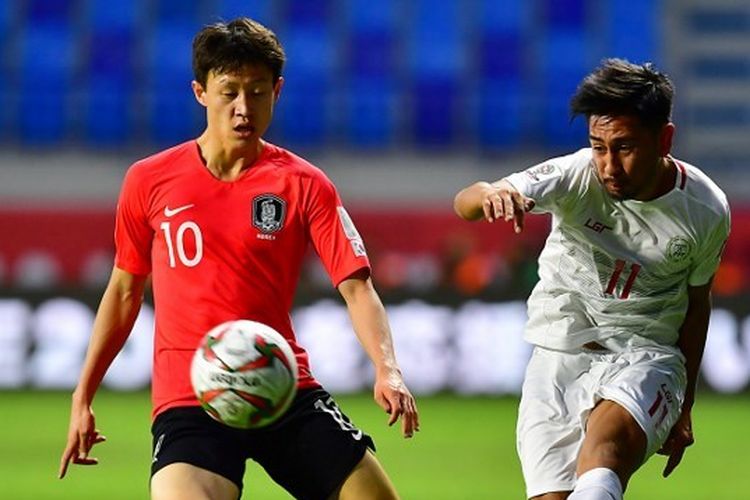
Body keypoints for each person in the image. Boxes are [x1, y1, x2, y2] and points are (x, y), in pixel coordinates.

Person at [59, 17, 419, 500]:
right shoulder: (148, 181)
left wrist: (387, 367)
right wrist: (83, 396)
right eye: (229, 91)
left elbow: (358, 287)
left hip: (282, 385)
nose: (243, 107)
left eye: (257, 91)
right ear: (200, 92)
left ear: (278, 91)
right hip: (192, 397)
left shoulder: (304, 183)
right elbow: (124, 291)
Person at [454, 58, 730, 500]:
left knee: (604, 454)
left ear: (665, 139)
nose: (608, 165)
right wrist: (491, 192)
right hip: (557, 358)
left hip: (647, 355)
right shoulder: (574, 176)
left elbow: (698, 305)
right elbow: (465, 203)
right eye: (598, 146)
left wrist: (686, 406)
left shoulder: (705, 210)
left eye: (624, 147)